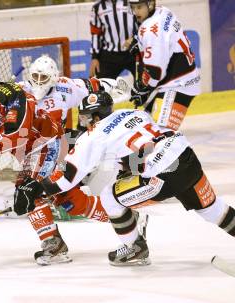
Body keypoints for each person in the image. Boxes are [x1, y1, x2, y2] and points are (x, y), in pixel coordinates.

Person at [14, 89, 235, 266]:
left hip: (161, 174)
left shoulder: (91, 137)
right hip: (185, 156)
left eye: (85, 117)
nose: (83, 123)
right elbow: (131, 153)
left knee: (110, 195)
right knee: (212, 208)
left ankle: (134, 249)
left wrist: (37, 189)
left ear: (95, 116)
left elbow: (66, 179)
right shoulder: (132, 113)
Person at [0, 57, 114, 265]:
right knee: (68, 200)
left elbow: (18, 133)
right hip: (30, 154)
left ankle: (53, 243)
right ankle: (124, 217)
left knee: (28, 190)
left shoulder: (14, 95)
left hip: (48, 142)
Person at [128, 0, 200, 131]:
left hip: (178, 84)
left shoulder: (150, 29)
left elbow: (155, 72)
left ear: (150, 4)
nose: (135, 12)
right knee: (147, 129)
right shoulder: (163, 11)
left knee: (161, 134)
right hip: (178, 79)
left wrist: (143, 89)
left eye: (139, 7)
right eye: (133, 7)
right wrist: (139, 43)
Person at [89, 0, 137, 78]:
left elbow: (142, 23)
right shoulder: (97, 6)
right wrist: (95, 58)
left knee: (145, 83)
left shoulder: (131, 1)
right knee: (102, 86)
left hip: (133, 51)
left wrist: (135, 38)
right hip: (110, 55)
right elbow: (96, 33)